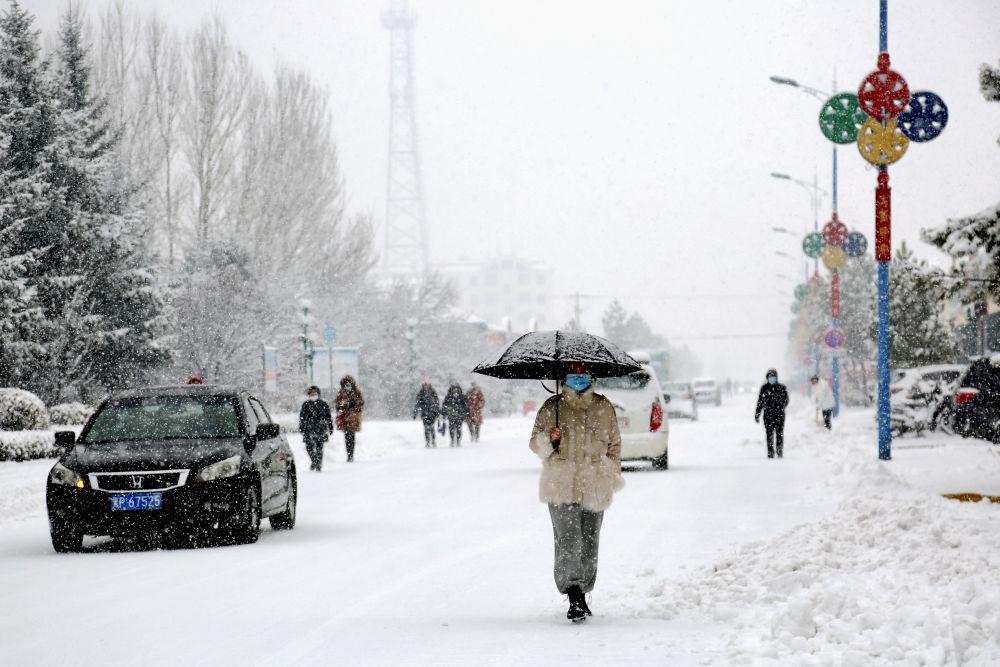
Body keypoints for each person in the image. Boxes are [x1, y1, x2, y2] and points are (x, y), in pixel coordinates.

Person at [529, 361, 625, 623]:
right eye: (574, 373)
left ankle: (583, 589)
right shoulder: (552, 407)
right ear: (565, 377)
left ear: (591, 376)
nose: (579, 378)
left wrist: (610, 472)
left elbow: (615, 444)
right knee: (568, 539)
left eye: (584, 373)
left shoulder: (604, 407)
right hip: (561, 483)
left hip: (594, 483)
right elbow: (535, 444)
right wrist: (550, 439)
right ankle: (574, 595)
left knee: (590, 540)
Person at [754, 369, 789, 459]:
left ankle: (779, 450)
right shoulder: (764, 388)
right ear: (767, 378)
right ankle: (770, 452)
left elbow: (786, 400)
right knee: (769, 434)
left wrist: (781, 406)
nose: (772, 378)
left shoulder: (781, 387)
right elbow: (760, 402)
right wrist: (757, 413)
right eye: (770, 377)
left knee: (779, 433)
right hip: (768, 415)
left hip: (779, 414)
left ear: (776, 377)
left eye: (773, 376)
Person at [299, 385, 333, 471]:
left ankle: (319, 464)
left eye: (314, 393)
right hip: (308, 429)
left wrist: (330, 426)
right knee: (308, 447)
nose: (313, 394)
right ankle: (314, 461)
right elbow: (302, 417)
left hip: (320, 428)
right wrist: (301, 427)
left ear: (318, 393)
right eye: (311, 393)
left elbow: (328, 417)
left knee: (319, 447)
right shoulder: (305, 404)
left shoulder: (323, 404)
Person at [335, 375, 365, 462]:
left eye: (348, 385)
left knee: (351, 436)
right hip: (344, 417)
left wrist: (354, 406)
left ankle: (351, 455)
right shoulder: (340, 393)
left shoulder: (357, 392)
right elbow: (337, 404)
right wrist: (342, 407)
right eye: (345, 385)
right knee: (347, 436)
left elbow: (361, 403)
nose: (347, 387)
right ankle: (349, 454)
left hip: (353, 418)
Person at [412, 381, 441, 447]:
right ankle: (428, 441)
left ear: (429, 385)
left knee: (431, 427)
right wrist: (415, 413)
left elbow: (437, 403)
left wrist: (437, 412)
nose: (426, 386)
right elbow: (417, 404)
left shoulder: (433, 392)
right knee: (426, 428)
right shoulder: (420, 393)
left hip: (432, 413)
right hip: (424, 413)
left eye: (427, 385)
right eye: (424, 385)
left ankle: (433, 440)